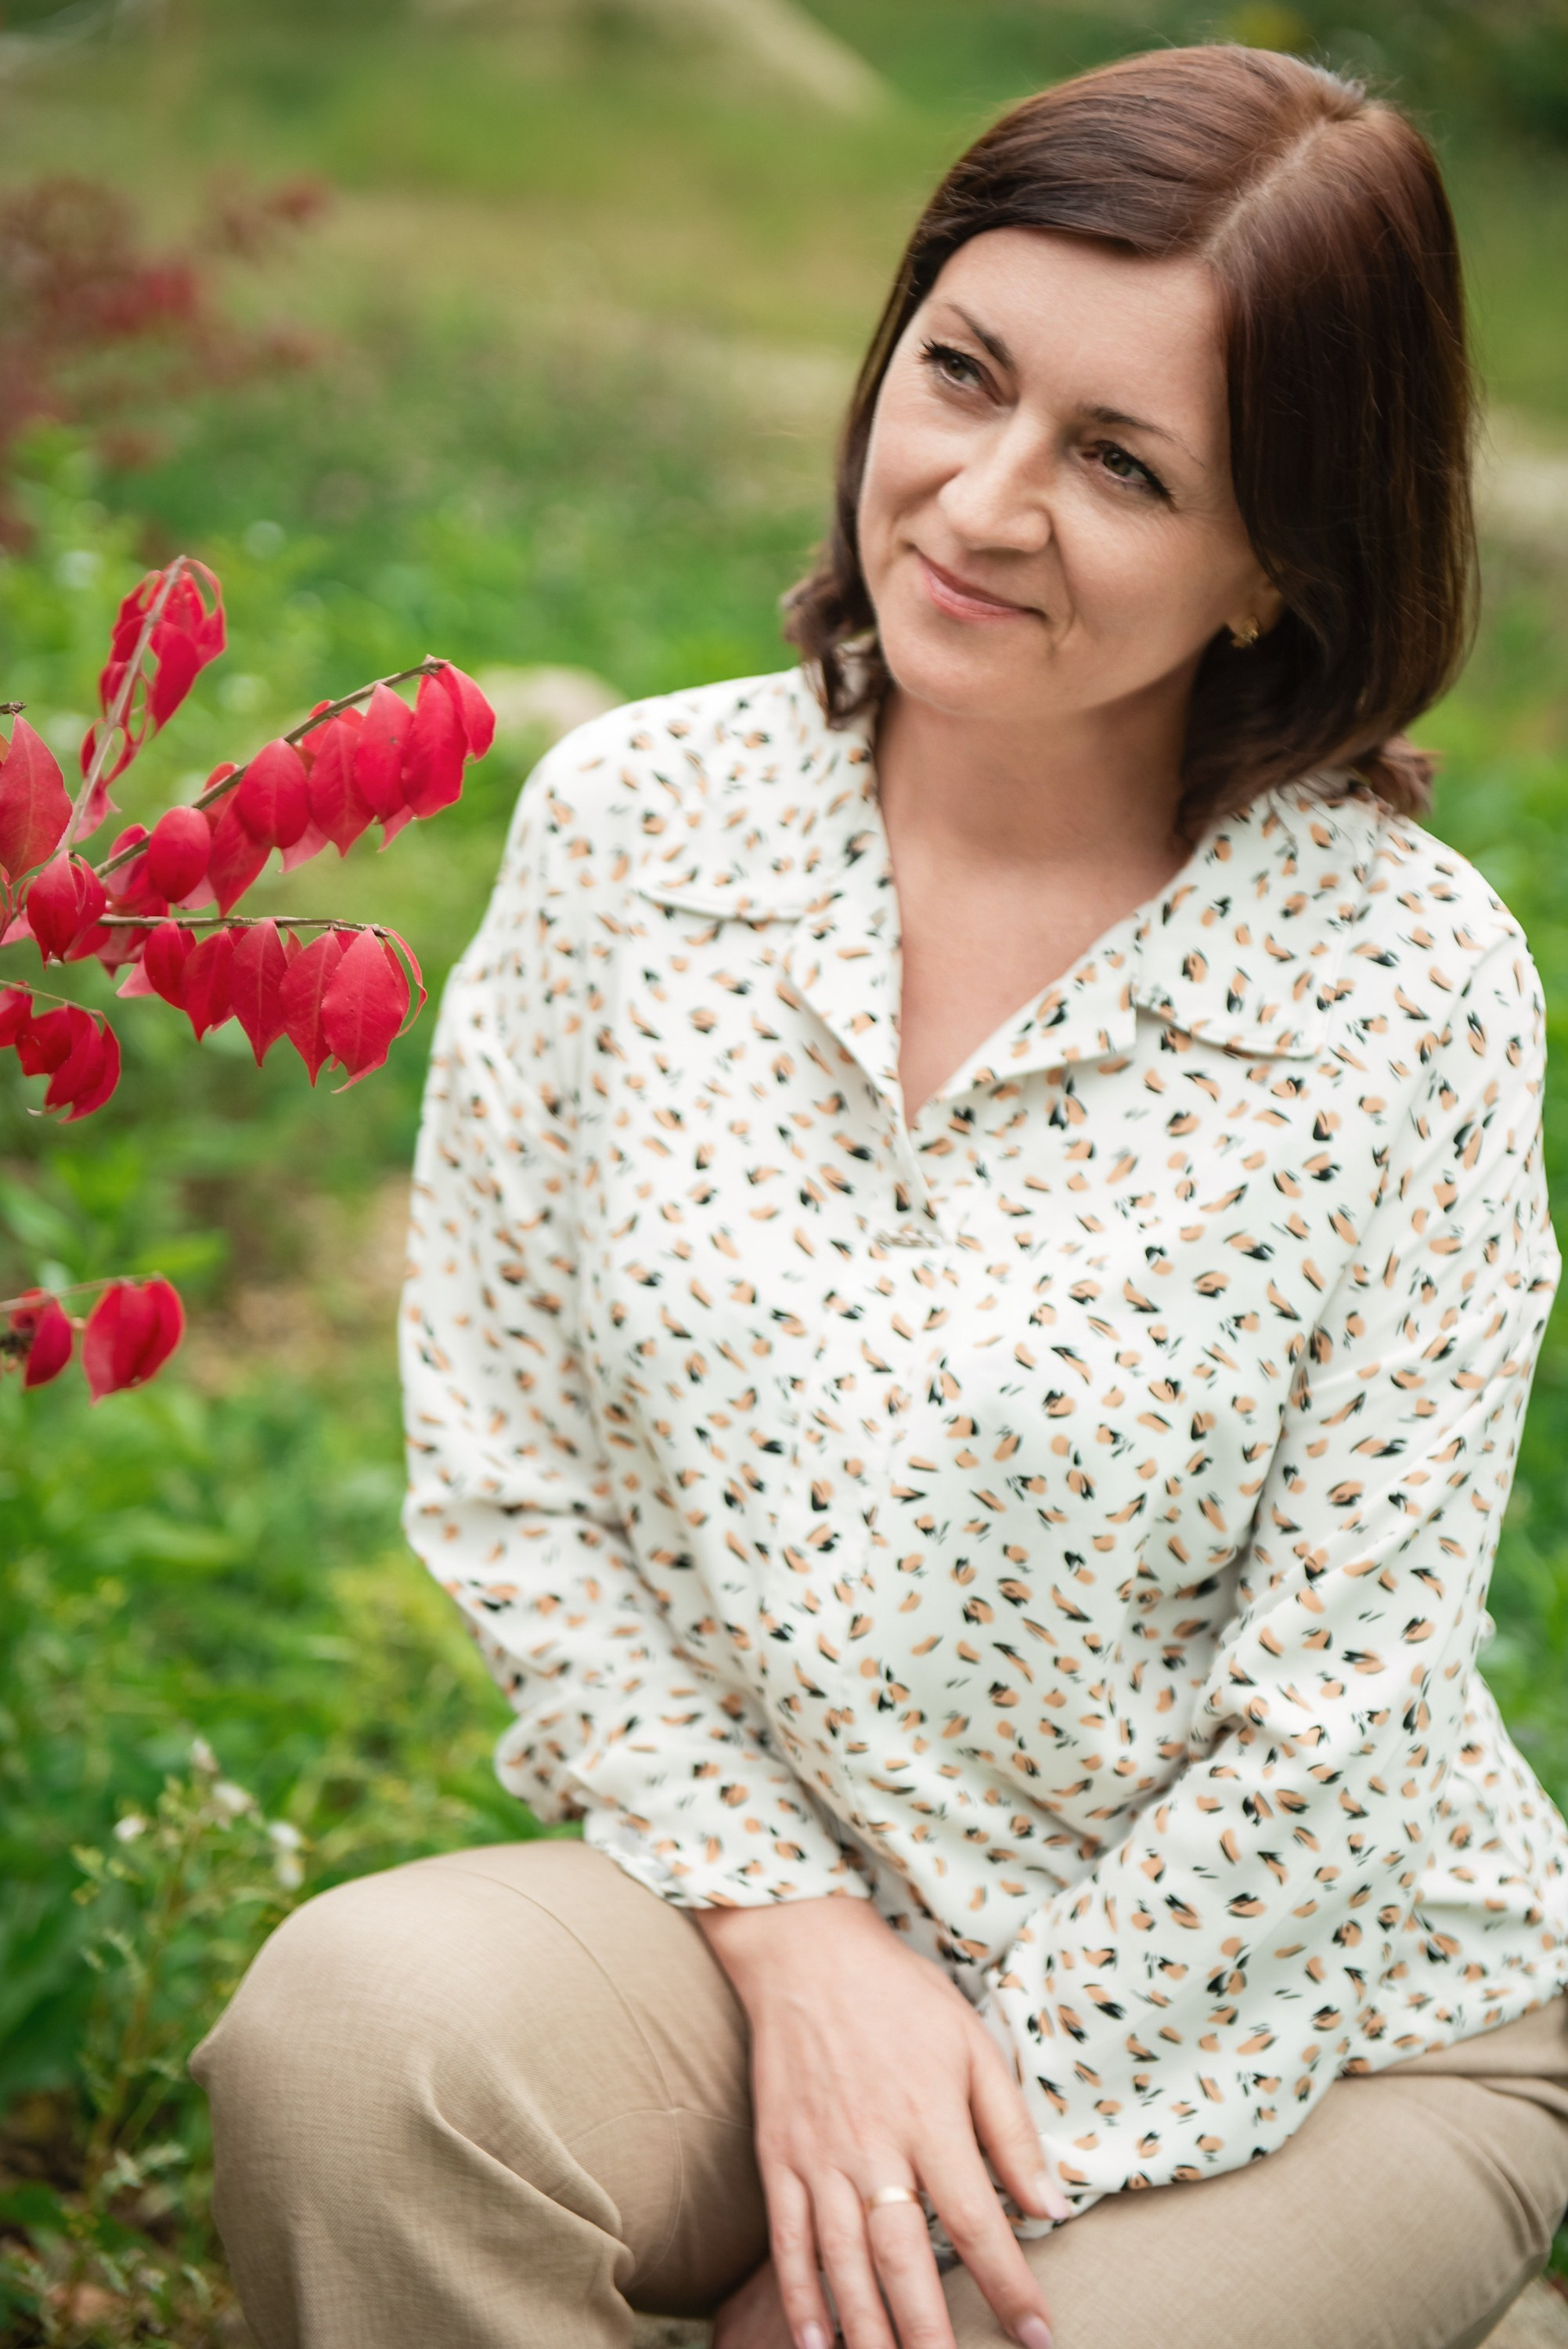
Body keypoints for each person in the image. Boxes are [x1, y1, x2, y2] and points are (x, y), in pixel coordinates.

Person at [193, 41, 1568, 2349]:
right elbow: (518, 1480)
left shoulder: (1396, 997)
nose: (979, 498)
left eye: (1122, 465)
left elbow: (1327, 1734)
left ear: (1277, 566)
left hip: (1315, 2010)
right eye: (963, 374)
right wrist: (797, 1953)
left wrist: (933, 2165)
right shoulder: (638, 834)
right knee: (358, 2052)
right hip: (777, 1922)